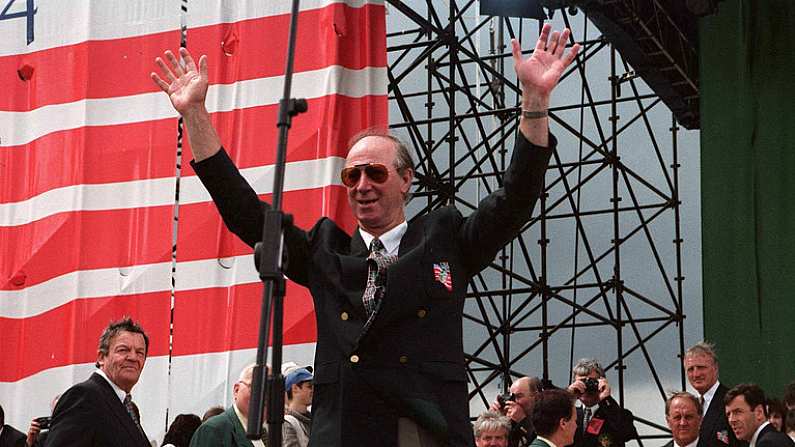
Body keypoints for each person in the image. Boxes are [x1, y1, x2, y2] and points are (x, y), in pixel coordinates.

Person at [152, 23, 579, 447]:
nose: (362, 185)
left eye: (375, 172)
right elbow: (245, 214)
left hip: (423, 430)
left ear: (406, 179)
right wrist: (195, 115)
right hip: (345, 432)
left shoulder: (444, 238)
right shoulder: (325, 251)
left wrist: (535, 102)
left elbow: (514, 200)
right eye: (351, 176)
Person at [46, 317, 150, 447]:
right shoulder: (83, 397)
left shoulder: (128, 408)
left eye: (140, 353)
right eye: (123, 350)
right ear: (101, 357)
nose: (133, 357)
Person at [189, 364, 267, 447]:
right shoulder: (213, 430)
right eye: (255, 387)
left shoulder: (264, 434)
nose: (264, 395)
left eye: (270, 389)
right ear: (236, 390)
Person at [565, 359, 638, 447]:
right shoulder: (569, 415)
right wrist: (567, 397)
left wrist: (606, 398)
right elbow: (550, 430)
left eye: (591, 382)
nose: (586, 387)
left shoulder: (615, 413)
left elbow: (628, 433)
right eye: (582, 382)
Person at [684, 342, 739, 447]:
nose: (696, 374)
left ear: (715, 368)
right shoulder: (692, 407)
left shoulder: (732, 401)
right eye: (691, 369)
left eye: (701, 367)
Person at [724, 384, 794, 447]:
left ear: (759, 412)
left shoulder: (769, 443)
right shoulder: (772, 439)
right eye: (728, 414)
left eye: (738, 412)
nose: (731, 420)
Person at [490, 377, 541, 447]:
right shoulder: (512, 424)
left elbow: (543, 442)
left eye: (519, 396)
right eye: (511, 397)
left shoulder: (551, 419)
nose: (513, 401)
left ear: (536, 397)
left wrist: (523, 421)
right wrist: (494, 421)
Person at [282, 365, 313, 447]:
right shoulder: (287, 423)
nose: (313, 390)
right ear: (295, 388)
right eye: (309, 386)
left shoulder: (312, 420)